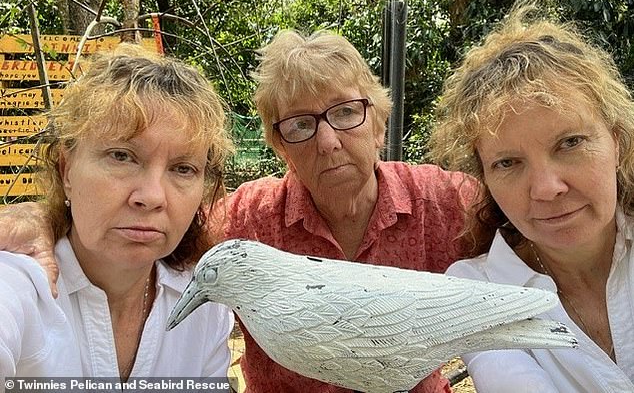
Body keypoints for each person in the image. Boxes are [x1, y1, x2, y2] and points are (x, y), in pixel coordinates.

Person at [0, 31, 476, 392]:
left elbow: (534, 220)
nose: (328, 141)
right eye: (301, 124)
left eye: (347, 112)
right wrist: (39, 217)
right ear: (278, 146)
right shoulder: (248, 222)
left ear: (380, 120)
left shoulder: (442, 202)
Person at [429, 3, 634, 392]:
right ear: (486, 178)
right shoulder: (479, 292)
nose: (546, 188)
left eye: (570, 143)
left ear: (617, 143)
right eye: (508, 163)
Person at [0, 45, 234, 380]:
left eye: (183, 168)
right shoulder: (20, 285)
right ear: (67, 170)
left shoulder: (204, 308)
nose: (152, 197)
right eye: (121, 156)